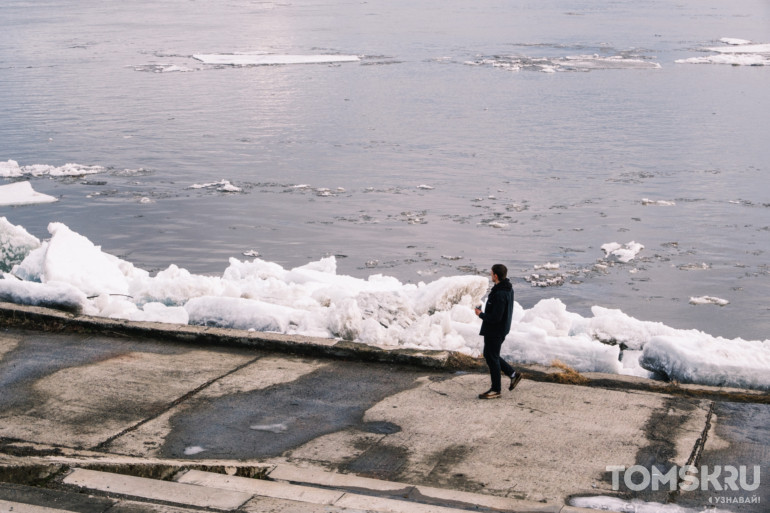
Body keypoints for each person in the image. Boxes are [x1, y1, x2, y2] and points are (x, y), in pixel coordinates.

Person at [474, 264, 522, 399]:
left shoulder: (501, 293)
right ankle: (513, 374)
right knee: (490, 355)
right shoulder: (506, 288)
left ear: (495, 275)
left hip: (495, 330)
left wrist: (480, 314)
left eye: (491, 273)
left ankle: (496, 389)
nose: (490, 275)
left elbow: (496, 317)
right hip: (499, 329)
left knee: (492, 357)